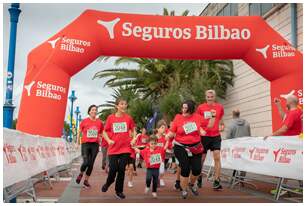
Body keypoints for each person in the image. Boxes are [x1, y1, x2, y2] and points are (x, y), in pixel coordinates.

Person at [165, 100, 212, 199]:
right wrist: (168, 135)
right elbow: (172, 131)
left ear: (190, 109)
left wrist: (213, 118)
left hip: (196, 147)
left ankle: (191, 184)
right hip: (180, 146)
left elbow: (208, 126)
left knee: (196, 169)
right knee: (185, 168)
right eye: (182, 107)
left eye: (185, 108)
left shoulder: (197, 117)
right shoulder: (178, 117)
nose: (183, 109)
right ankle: (184, 189)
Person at [264, 95, 303, 195]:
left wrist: (271, 135)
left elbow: (284, 128)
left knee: (285, 165)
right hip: (296, 144)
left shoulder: (293, 113)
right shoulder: (298, 112)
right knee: (297, 165)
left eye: (286, 100)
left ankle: (283, 188)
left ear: (290, 102)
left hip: (290, 145)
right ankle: (302, 186)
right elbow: (284, 118)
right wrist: (278, 105)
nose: (285, 101)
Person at [101, 98, 137, 199]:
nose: (124, 106)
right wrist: (108, 140)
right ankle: (108, 183)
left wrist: (134, 138)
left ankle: (119, 191)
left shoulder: (128, 118)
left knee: (121, 169)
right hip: (113, 149)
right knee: (113, 170)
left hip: (125, 148)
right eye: (121, 104)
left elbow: (133, 129)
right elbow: (104, 132)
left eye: (125, 104)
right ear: (117, 106)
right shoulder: (111, 118)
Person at [196, 89, 224, 190]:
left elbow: (220, 118)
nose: (210, 98)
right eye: (208, 97)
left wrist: (221, 125)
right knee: (202, 159)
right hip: (204, 136)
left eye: (211, 97)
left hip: (216, 136)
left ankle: (217, 181)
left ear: (214, 97)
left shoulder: (219, 107)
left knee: (217, 157)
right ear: (206, 97)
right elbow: (197, 121)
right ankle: (198, 177)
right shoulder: (201, 107)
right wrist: (200, 130)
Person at [76, 105, 104, 188]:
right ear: (89, 111)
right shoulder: (84, 121)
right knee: (86, 162)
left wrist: (101, 138)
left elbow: (102, 132)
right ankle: (81, 174)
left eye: (95, 110)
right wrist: (77, 142)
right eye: (92, 110)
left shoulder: (99, 122)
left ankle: (86, 181)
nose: (94, 111)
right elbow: (79, 132)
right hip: (85, 144)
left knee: (91, 164)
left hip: (95, 145)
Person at [226, 109, 251, 185]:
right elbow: (249, 135)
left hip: (235, 147)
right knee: (244, 162)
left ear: (233, 114)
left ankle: (235, 178)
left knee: (235, 162)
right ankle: (242, 179)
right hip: (245, 146)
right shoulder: (247, 123)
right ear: (239, 114)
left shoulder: (231, 124)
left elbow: (228, 137)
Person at [154, 120, 169, 187]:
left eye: (164, 128)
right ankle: (156, 180)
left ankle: (161, 178)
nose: (164, 129)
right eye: (162, 128)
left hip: (162, 158)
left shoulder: (165, 138)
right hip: (154, 157)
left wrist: (168, 141)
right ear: (157, 129)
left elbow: (167, 146)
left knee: (162, 171)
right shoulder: (154, 137)